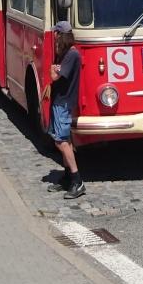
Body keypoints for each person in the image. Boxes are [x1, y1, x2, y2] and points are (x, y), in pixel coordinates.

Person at [46, 21, 85, 199]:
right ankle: (68, 176)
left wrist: (52, 71)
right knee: (61, 140)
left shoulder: (71, 55)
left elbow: (55, 76)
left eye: (56, 34)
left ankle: (77, 180)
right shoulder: (64, 54)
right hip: (58, 101)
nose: (54, 37)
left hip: (64, 103)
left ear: (61, 35)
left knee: (61, 141)